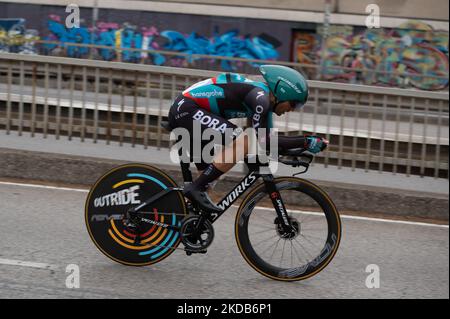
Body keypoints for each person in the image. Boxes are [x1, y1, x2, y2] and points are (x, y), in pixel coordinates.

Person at [167, 65, 328, 213]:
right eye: (294, 104)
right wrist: (305, 141)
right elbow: (266, 141)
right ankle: (194, 188)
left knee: (206, 185)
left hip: (192, 111)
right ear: (283, 93)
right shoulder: (260, 99)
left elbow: (268, 142)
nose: (292, 110)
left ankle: (185, 227)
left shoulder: (264, 103)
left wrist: (297, 148)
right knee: (245, 142)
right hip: (187, 109)